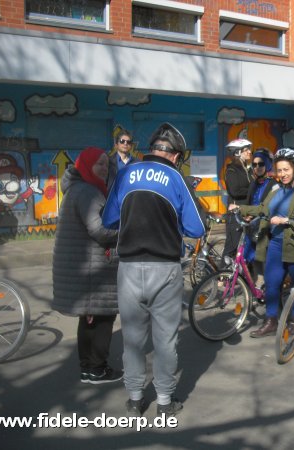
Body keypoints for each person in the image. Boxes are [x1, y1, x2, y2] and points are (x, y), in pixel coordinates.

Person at [102, 123, 206, 417]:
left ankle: (135, 399)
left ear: (152, 149)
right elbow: (196, 228)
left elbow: (108, 219)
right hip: (165, 269)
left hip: (130, 269)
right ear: (175, 156)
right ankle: (164, 402)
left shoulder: (125, 173)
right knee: (165, 341)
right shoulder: (177, 178)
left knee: (132, 340)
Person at [231, 148, 294, 338]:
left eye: (286, 169)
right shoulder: (276, 190)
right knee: (271, 283)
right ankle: (271, 321)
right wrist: (240, 208)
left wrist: (286, 220)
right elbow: (263, 208)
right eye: (279, 170)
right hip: (276, 245)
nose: (283, 174)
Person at [52, 147, 121, 385]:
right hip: (93, 270)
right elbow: (100, 229)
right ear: (86, 165)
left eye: (105, 164)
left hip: (87, 268)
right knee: (102, 318)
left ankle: (88, 369)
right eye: (98, 164)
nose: (103, 168)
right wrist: (126, 231)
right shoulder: (88, 192)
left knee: (90, 319)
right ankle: (97, 369)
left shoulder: (79, 188)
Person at [244, 148, 277, 280]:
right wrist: (246, 215)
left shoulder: (273, 184)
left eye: (261, 164)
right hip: (251, 225)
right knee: (246, 255)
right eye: (255, 164)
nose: (257, 167)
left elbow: (270, 207)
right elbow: (249, 202)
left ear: (268, 165)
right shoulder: (253, 183)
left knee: (265, 260)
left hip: (265, 227)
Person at [223, 138, 253, 260]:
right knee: (231, 248)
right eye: (246, 150)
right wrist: (252, 191)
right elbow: (235, 191)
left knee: (244, 247)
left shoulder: (247, 169)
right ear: (237, 152)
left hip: (246, 212)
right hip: (235, 215)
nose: (250, 152)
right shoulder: (232, 170)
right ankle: (221, 277)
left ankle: (239, 276)